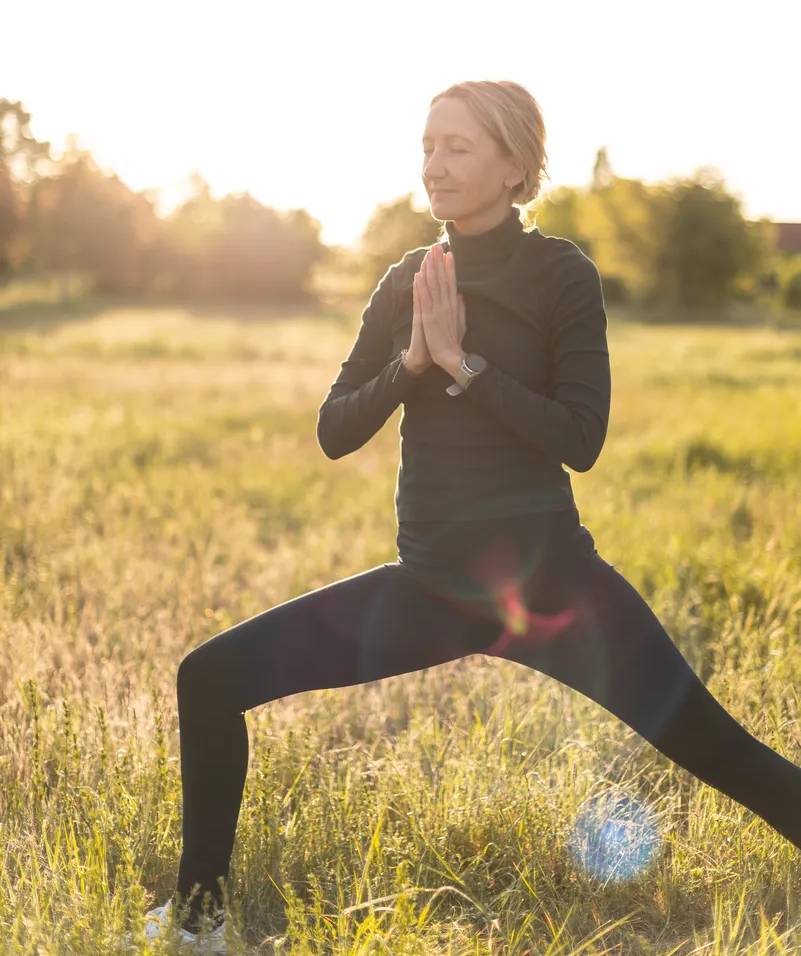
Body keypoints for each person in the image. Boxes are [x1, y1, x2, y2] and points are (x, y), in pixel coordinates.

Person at [139, 80, 801, 950]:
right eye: (426, 146)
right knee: (210, 679)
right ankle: (198, 921)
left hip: (555, 590)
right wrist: (414, 360)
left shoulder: (561, 274)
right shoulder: (408, 279)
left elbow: (581, 436)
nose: (433, 166)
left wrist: (465, 366)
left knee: (721, 753)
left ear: (514, 166)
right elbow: (336, 430)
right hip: (431, 589)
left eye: (455, 147)